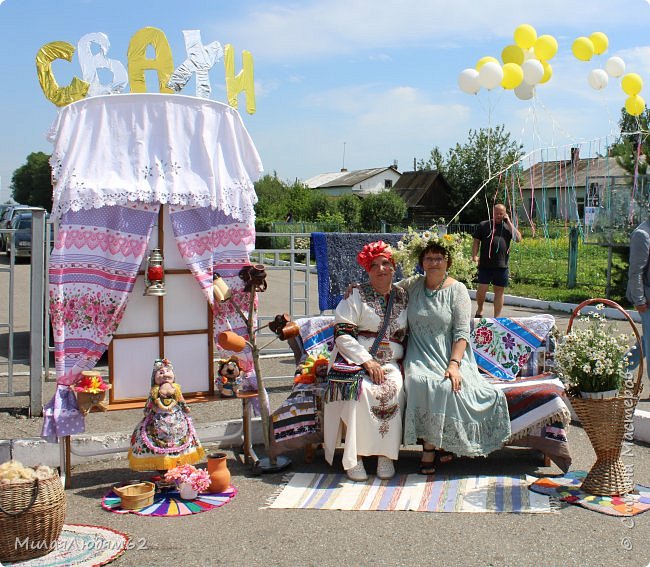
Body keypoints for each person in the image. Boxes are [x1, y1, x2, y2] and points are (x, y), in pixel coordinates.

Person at [395, 232, 511, 474]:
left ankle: (438, 444)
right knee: (417, 381)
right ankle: (431, 446)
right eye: (428, 258)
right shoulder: (412, 285)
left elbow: (461, 333)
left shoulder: (457, 290)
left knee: (447, 385)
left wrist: (454, 364)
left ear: (448, 261)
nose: (434, 262)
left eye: (439, 258)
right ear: (421, 262)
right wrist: (356, 287)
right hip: (420, 351)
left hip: (449, 353)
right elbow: (383, 288)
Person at [323, 241, 408, 481]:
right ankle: (354, 457)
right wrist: (366, 362)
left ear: (394, 267)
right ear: (367, 270)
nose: (381, 269)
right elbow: (342, 334)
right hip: (355, 359)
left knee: (395, 389)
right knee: (359, 391)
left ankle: (386, 455)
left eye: (386, 263)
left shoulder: (404, 295)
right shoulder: (355, 295)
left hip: (391, 362)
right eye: (374, 265)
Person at [128, 358, 205, 471]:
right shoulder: (154, 391)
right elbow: (148, 405)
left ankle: (175, 469)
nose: (165, 375)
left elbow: (182, 401)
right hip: (157, 422)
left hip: (177, 420)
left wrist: (185, 407)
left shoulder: (176, 389)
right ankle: (162, 469)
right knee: (156, 446)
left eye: (168, 371)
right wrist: (149, 410)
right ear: (154, 377)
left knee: (178, 444)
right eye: (160, 372)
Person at [471, 203, 522, 318]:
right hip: (485, 264)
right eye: (496, 213)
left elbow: (518, 239)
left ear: (505, 214)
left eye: (501, 213)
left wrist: (508, 222)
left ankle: (497, 317)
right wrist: (474, 256)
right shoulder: (484, 225)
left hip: (501, 264)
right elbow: (476, 242)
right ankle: (480, 310)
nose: (499, 215)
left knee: (499, 291)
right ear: (492, 213)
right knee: (482, 288)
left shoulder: (508, 227)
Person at [627, 216, 650, 379]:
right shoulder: (642, 234)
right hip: (648, 301)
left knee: (646, 342)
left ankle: (620, 369)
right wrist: (640, 300)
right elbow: (636, 271)